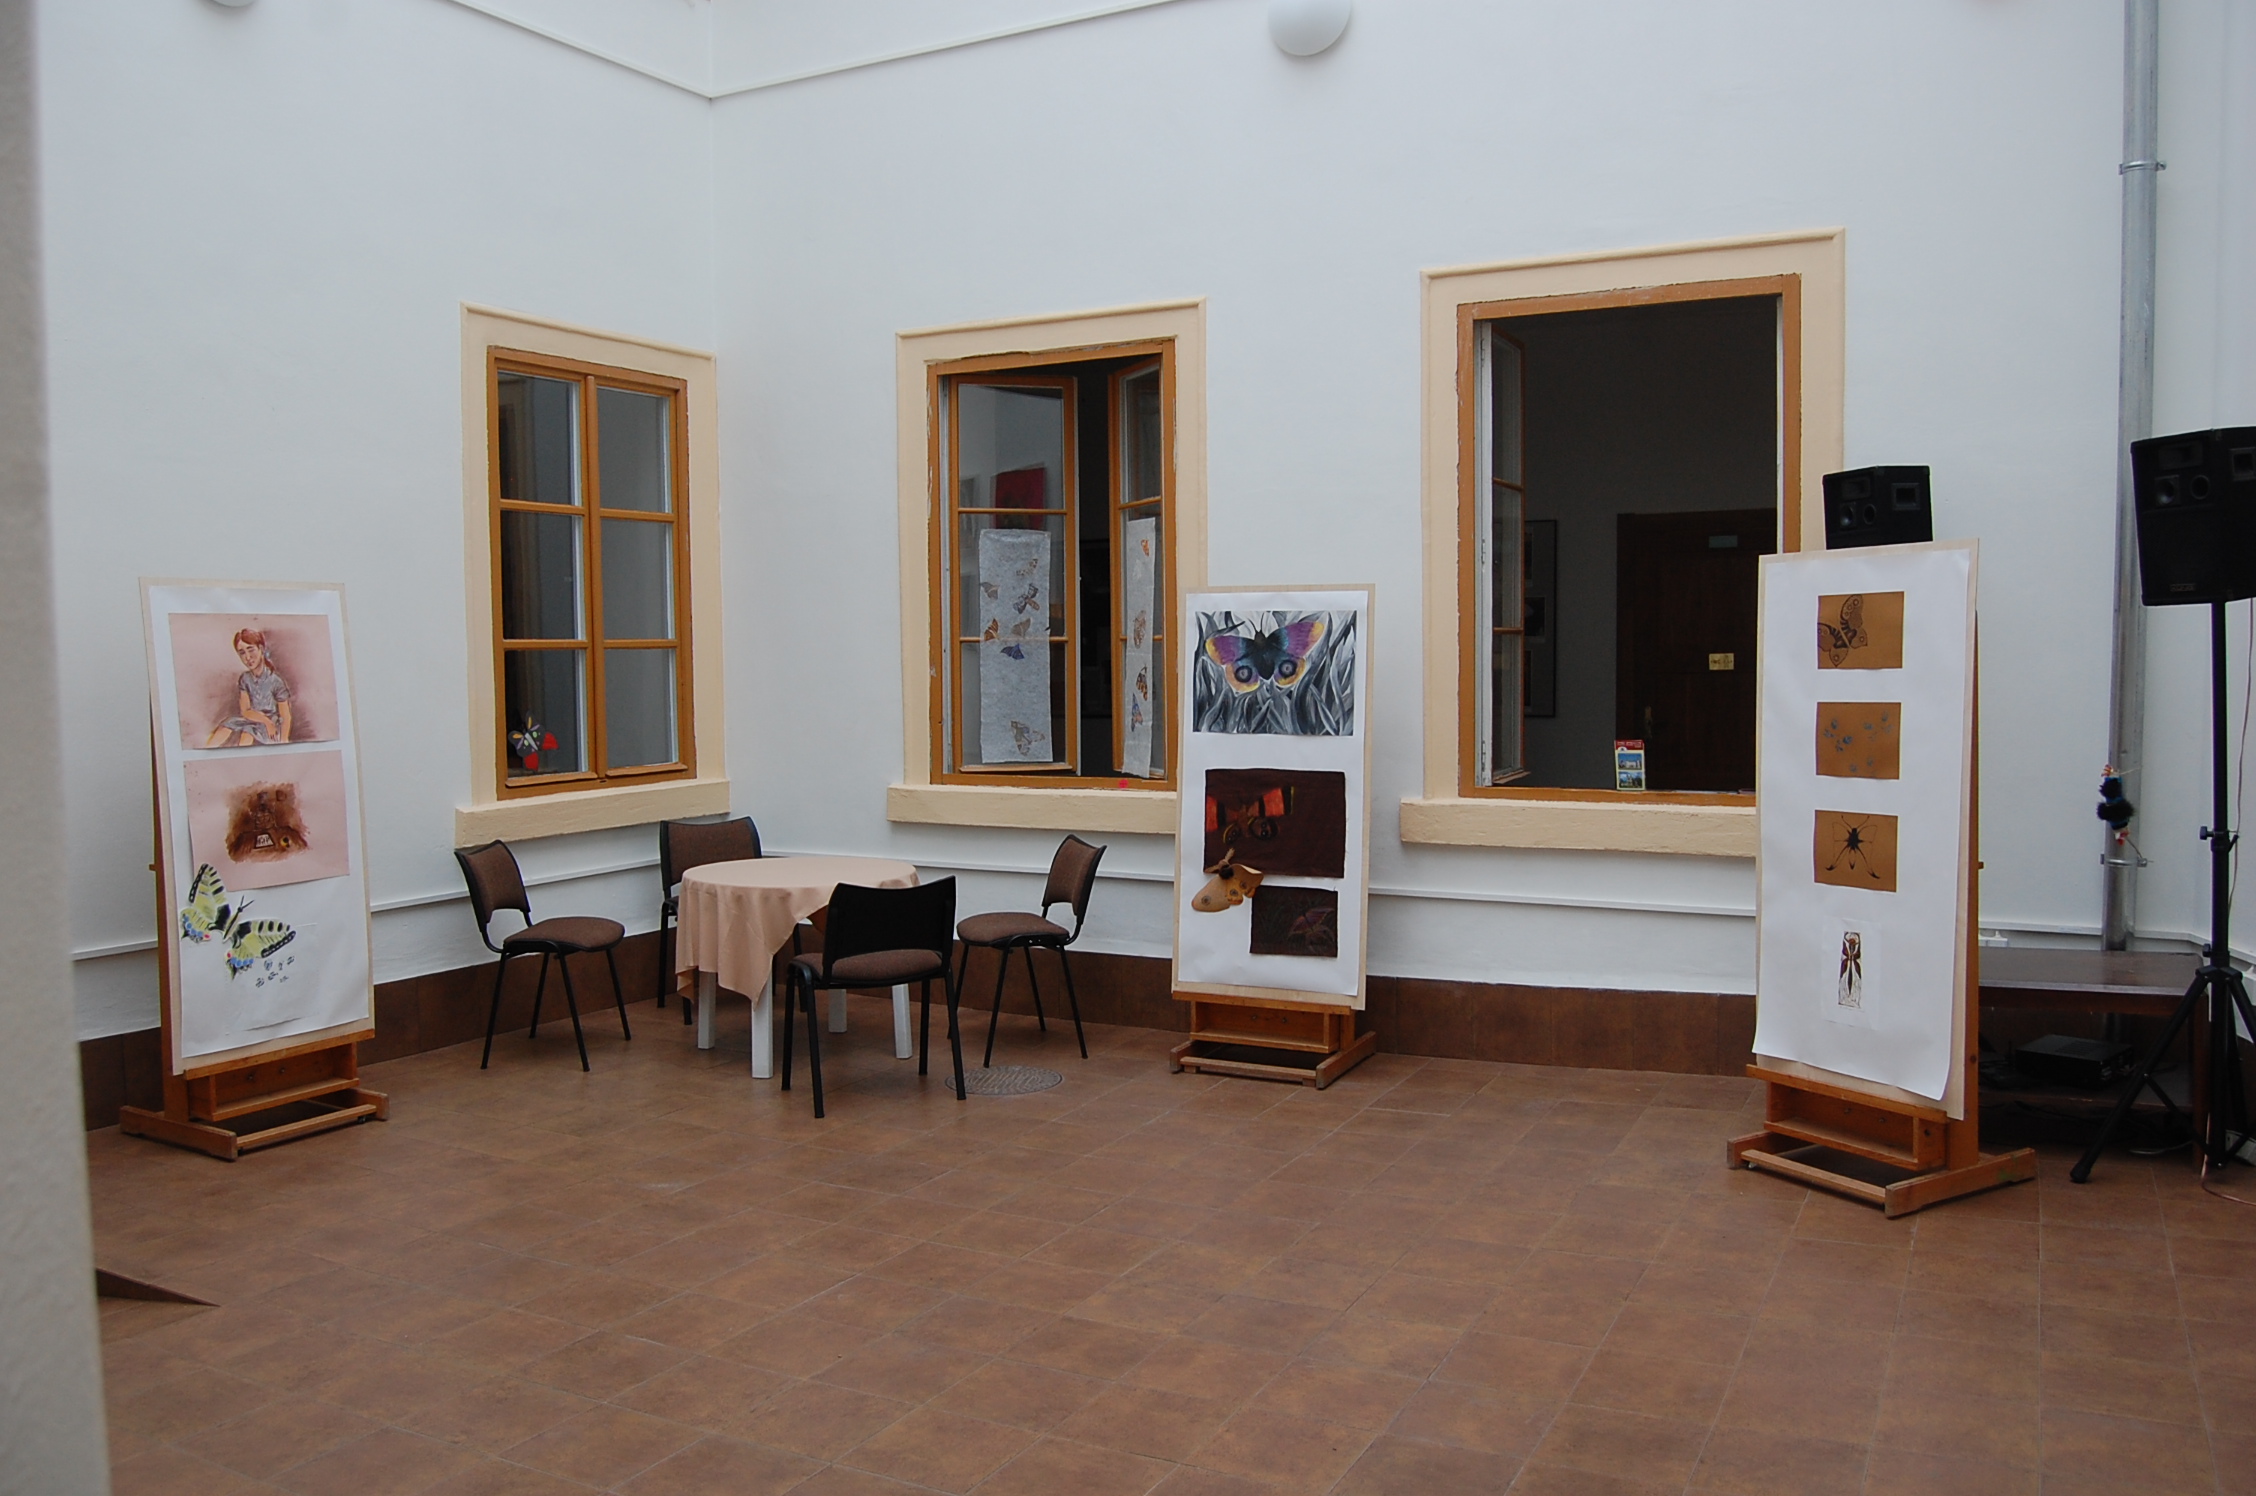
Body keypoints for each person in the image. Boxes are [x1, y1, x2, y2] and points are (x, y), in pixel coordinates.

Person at [204, 628, 294, 747]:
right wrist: (265, 721)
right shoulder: (245, 679)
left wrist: (283, 740)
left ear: (261, 649)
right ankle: (206, 749)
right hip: (254, 719)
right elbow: (246, 711)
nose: (247, 657)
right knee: (227, 725)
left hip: (272, 723)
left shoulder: (276, 681)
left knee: (247, 733)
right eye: (242, 653)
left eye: (251, 650)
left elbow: (285, 716)